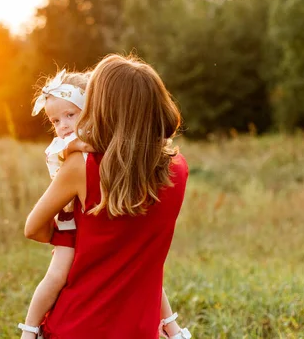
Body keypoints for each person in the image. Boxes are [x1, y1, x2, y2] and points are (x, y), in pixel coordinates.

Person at [18, 60, 191, 339]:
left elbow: (33, 228)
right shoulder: (178, 169)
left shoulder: (82, 166)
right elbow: (144, 257)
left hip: (77, 325)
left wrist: (70, 236)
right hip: (140, 329)